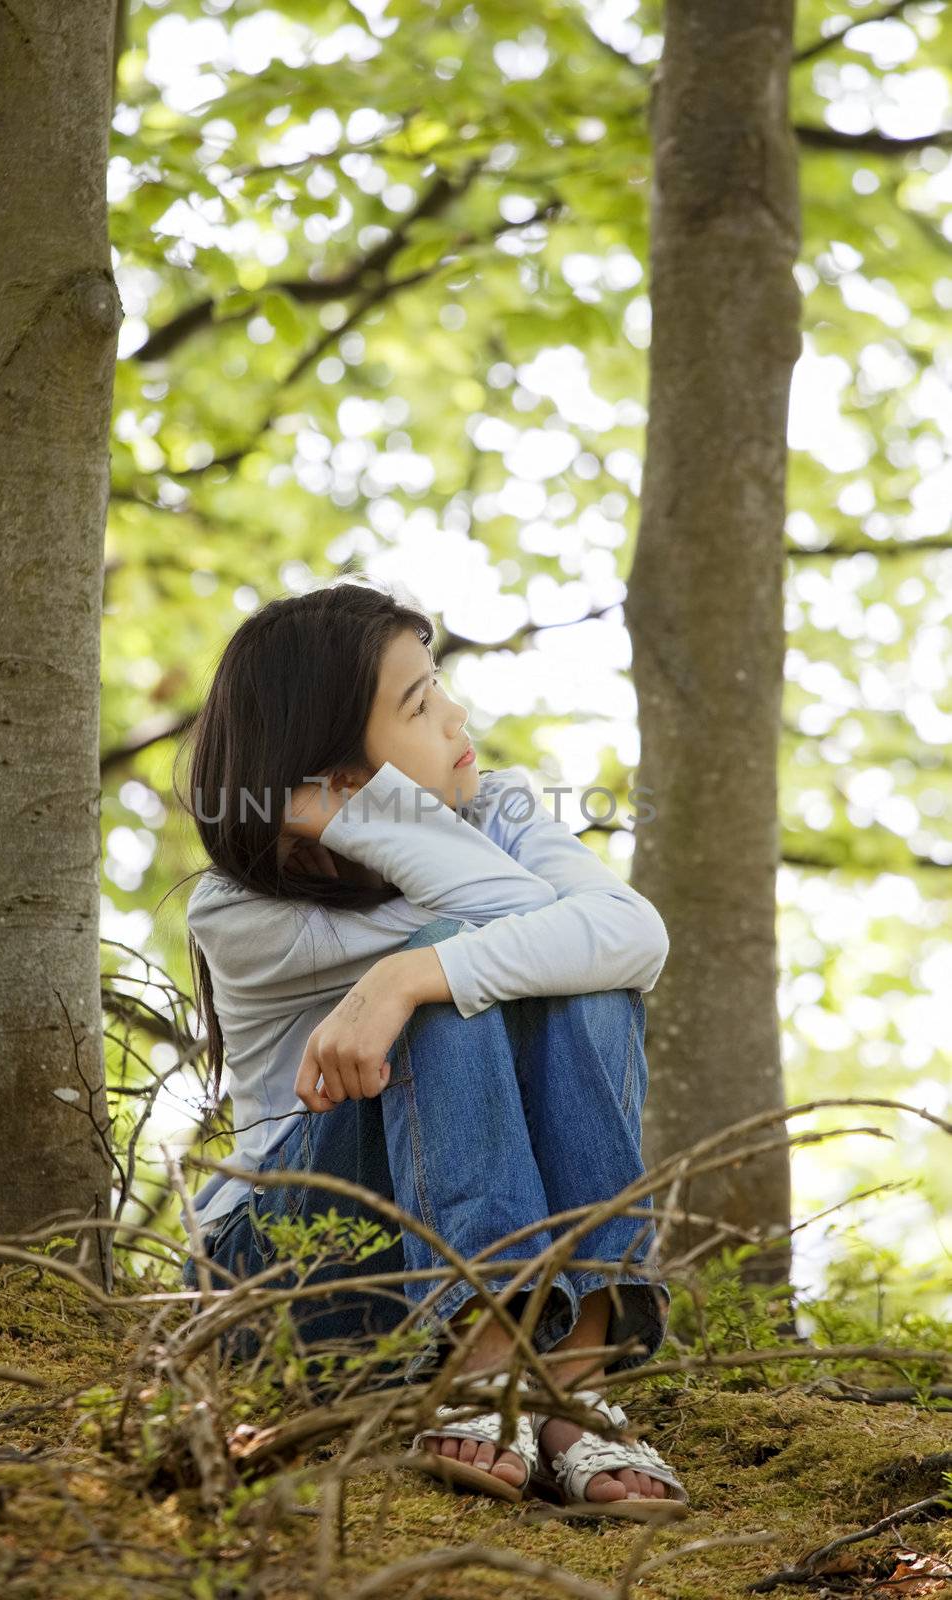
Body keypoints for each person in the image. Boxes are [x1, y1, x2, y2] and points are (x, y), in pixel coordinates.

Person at [174, 577, 689, 1515]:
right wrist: (405, 927)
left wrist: (400, 981)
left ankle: (568, 1381)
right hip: (295, 1272)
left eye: (440, 683)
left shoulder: (502, 812)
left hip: (454, 1261)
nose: (456, 716)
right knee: (469, 954)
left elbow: (635, 937)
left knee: (568, 967)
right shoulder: (241, 909)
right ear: (334, 778)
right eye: (418, 705)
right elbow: (516, 915)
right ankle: (488, 1357)